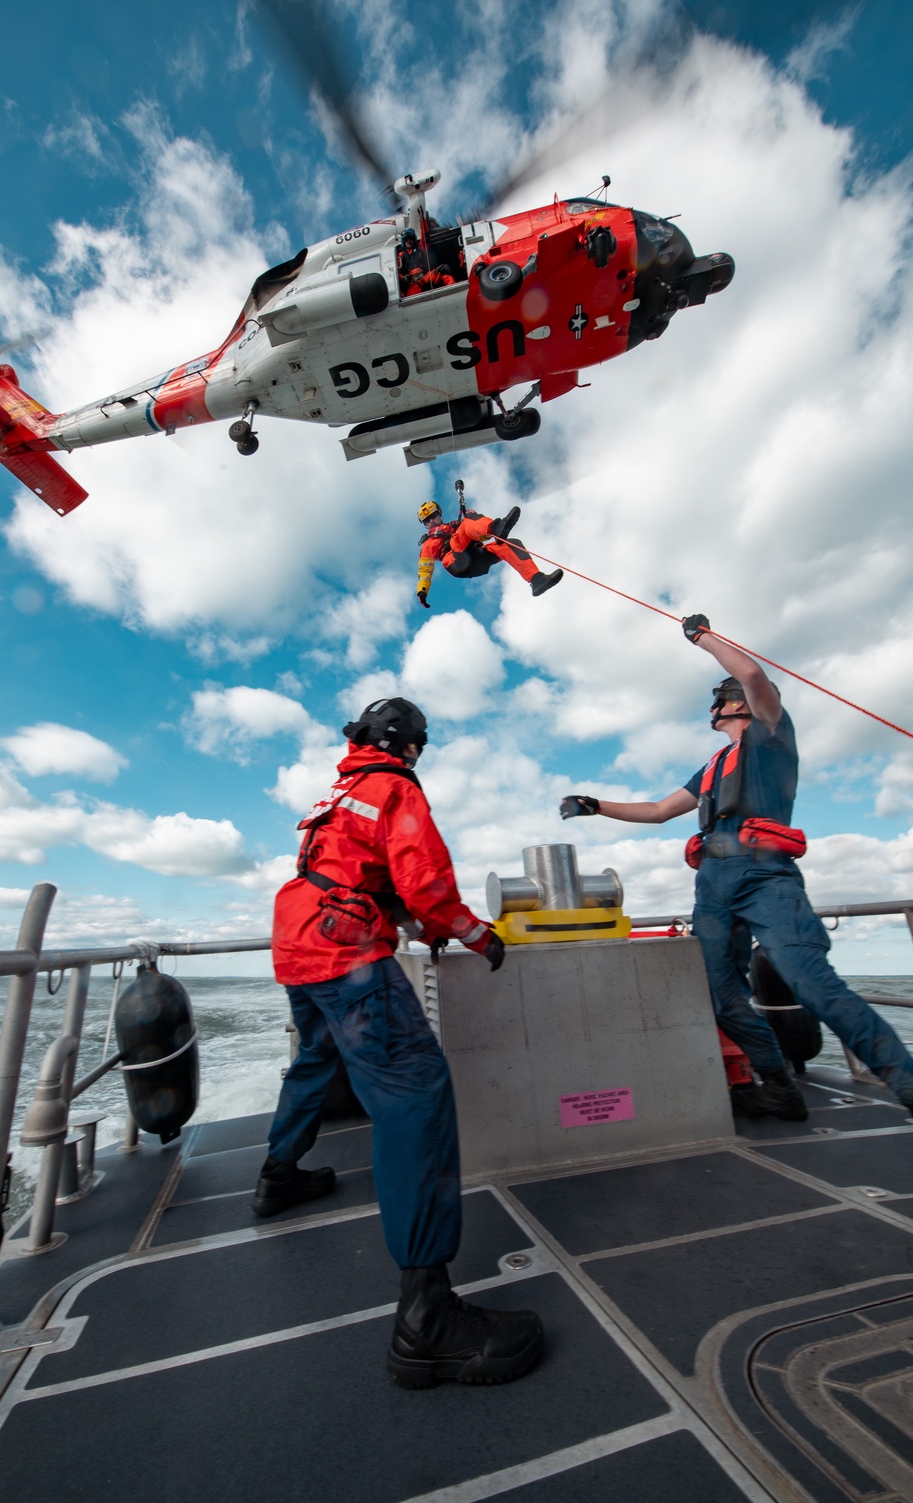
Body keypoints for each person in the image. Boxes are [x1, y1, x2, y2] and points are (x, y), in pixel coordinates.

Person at [255, 697, 544, 1388]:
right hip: (349, 957)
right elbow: (428, 883)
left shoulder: (343, 790)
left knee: (316, 1060)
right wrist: (479, 935)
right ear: (410, 746)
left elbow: (362, 878)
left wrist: (409, 922)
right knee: (415, 1098)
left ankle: (277, 1173)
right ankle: (427, 1319)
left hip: (300, 945)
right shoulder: (396, 787)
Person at [559, 614, 913, 1122]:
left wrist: (702, 637)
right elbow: (659, 810)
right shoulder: (710, 767)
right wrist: (596, 805)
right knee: (721, 994)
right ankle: (779, 1087)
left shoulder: (771, 735)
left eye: (720, 699)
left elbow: (752, 675)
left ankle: (905, 1082)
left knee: (812, 984)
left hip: (766, 878)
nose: (713, 707)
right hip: (714, 886)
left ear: (736, 705)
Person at [416, 498, 562, 606]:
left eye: (433, 516)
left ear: (440, 514)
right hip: (457, 562)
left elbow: (479, 535)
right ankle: (496, 527)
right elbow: (425, 570)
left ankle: (537, 580)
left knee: (511, 544)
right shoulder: (429, 543)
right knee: (467, 522)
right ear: (425, 524)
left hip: (476, 557)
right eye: (427, 520)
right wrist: (422, 591)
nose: (432, 521)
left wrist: (475, 520)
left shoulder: (455, 526)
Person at [397, 229, 454, 296]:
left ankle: (453, 290)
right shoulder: (400, 255)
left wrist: (421, 220)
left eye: (410, 239)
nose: (409, 241)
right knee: (412, 298)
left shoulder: (421, 248)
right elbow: (396, 273)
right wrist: (405, 278)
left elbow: (425, 235)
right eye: (406, 240)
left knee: (443, 269)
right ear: (403, 242)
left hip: (424, 277)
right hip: (412, 282)